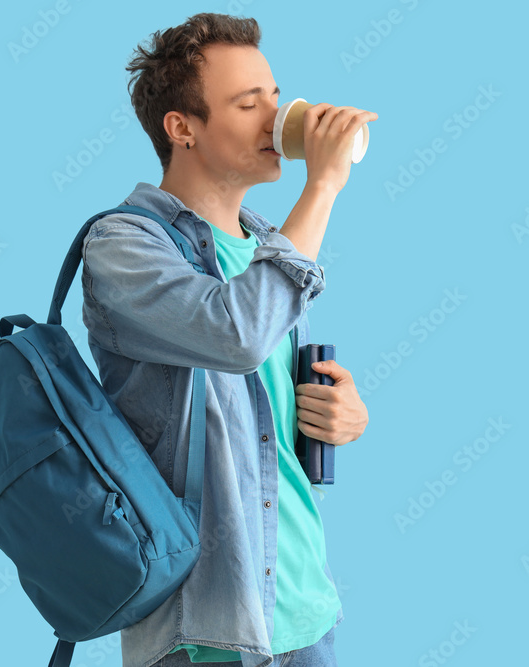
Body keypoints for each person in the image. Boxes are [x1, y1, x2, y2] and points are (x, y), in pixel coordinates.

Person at [79, 12, 375, 667]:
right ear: (182, 127)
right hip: (207, 628)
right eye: (248, 103)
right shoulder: (124, 246)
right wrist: (323, 183)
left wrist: (335, 416)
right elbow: (236, 334)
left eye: (275, 96)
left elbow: (262, 433)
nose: (275, 117)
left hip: (306, 608)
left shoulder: (270, 241)